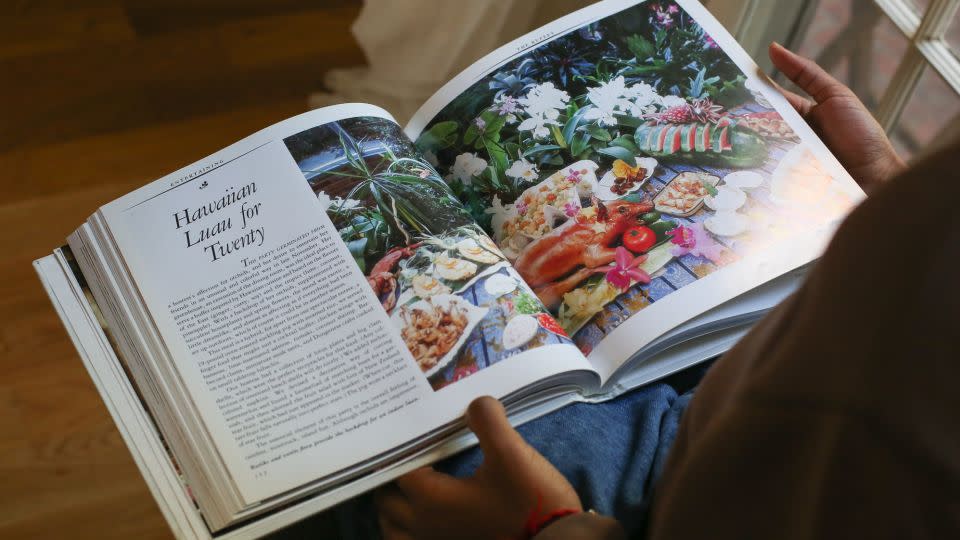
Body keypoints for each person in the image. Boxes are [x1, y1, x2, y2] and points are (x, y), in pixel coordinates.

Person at [368, 43, 958, 539]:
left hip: (690, 469)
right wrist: (881, 181)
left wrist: (547, 529)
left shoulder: (897, 456)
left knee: (422, 456)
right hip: (776, 361)